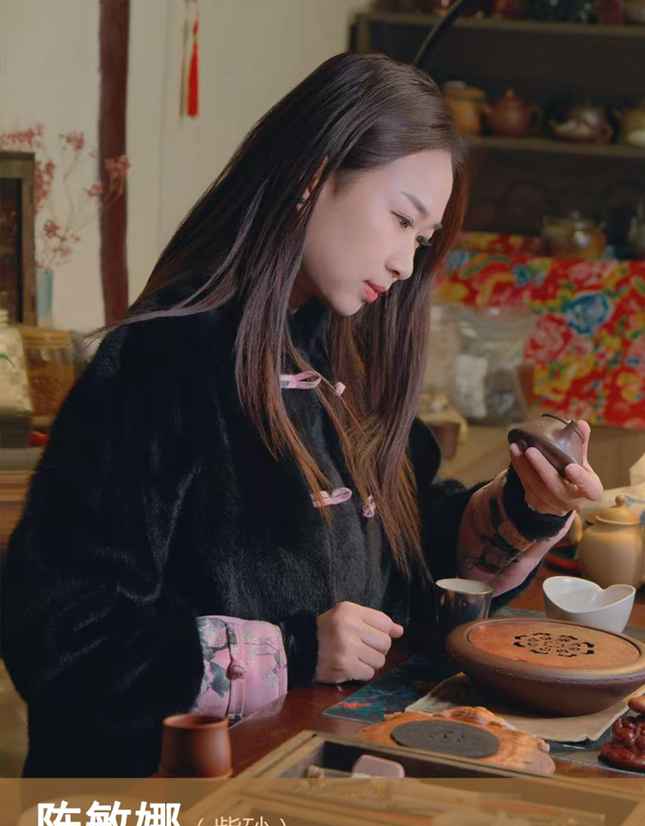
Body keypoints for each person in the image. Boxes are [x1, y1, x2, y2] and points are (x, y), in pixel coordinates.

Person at [1, 53, 602, 778]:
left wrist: (526, 507)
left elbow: (407, 564)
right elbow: (60, 637)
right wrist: (291, 650)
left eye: (420, 241)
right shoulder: (163, 363)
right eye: (400, 219)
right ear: (313, 178)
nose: (406, 263)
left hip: (323, 773)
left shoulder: (340, 360)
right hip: (175, 801)